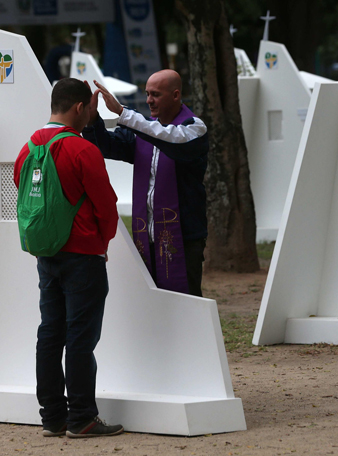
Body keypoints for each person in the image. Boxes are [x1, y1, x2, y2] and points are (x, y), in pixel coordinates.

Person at [14, 78, 123, 439]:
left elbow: (24, 190)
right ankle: (82, 418)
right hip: (83, 254)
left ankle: (53, 418)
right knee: (80, 336)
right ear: (79, 107)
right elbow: (107, 204)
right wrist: (101, 241)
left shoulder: (27, 149)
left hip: (47, 253)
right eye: (90, 109)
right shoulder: (82, 149)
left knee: (50, 333)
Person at [83, 70, 208, 296]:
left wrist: (123, 113)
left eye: (156, 94)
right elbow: (107, 145)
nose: (149, 100)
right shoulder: (144, 129)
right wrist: (92, 120)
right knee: (151, 302)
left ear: (176, 95)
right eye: (147, 94)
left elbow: (170, 138)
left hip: (184, 235)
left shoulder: (194, 128)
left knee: (185, 303)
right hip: (146, 233)